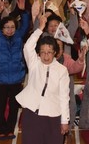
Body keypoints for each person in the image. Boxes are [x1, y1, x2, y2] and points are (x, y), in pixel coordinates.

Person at [16, 13, 70, 144]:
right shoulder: (34, 64)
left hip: (53, 115)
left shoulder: (62, 70)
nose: (46, 56)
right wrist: (40, 28)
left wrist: (64, 121)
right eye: (43, 52)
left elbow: (64, 97)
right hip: (31, 113)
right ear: (38, 52)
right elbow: (28, 47)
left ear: (55, 53)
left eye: (49, 52)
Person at [0, 0, 30, 140]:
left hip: (16, 79)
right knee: (0, 106)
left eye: (12, 27)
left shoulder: (19, 36)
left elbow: (25, 26)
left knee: (14, 107)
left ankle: (10, 128)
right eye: (6, 27)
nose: (10, 30)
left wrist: (23, 11)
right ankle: (2, 129)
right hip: (0, 79)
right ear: (2, 28)